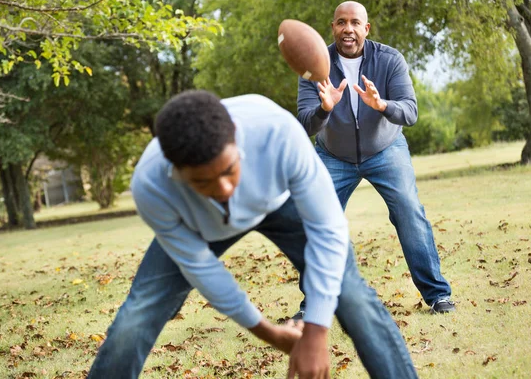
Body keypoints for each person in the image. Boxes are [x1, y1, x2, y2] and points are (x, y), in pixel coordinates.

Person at [87, 90, 418, 379]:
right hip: (200, 224)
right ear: (176, 172)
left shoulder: (276, 131)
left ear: (237, 139)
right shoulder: (151, 185)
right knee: (136, 316)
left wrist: (316, 331)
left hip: (279, 203)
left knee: (351, 293)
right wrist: (269, 332)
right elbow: (202, 268)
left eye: (229, 170)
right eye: (203, 182)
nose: (224, 189)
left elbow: (328, 231)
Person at [295, 1, 455, 318]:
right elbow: (304, 122)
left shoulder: (389, 59)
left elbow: (410, 112)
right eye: (341, 22)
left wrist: (382, 106)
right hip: (333, 155)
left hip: (385, 149)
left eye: (355, 22)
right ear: (333, 27)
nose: (348, 29)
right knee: (316, 222)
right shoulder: (315, 64)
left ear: (366, 28)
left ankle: (437, 294)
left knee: (409, 211)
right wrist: (324, 109)